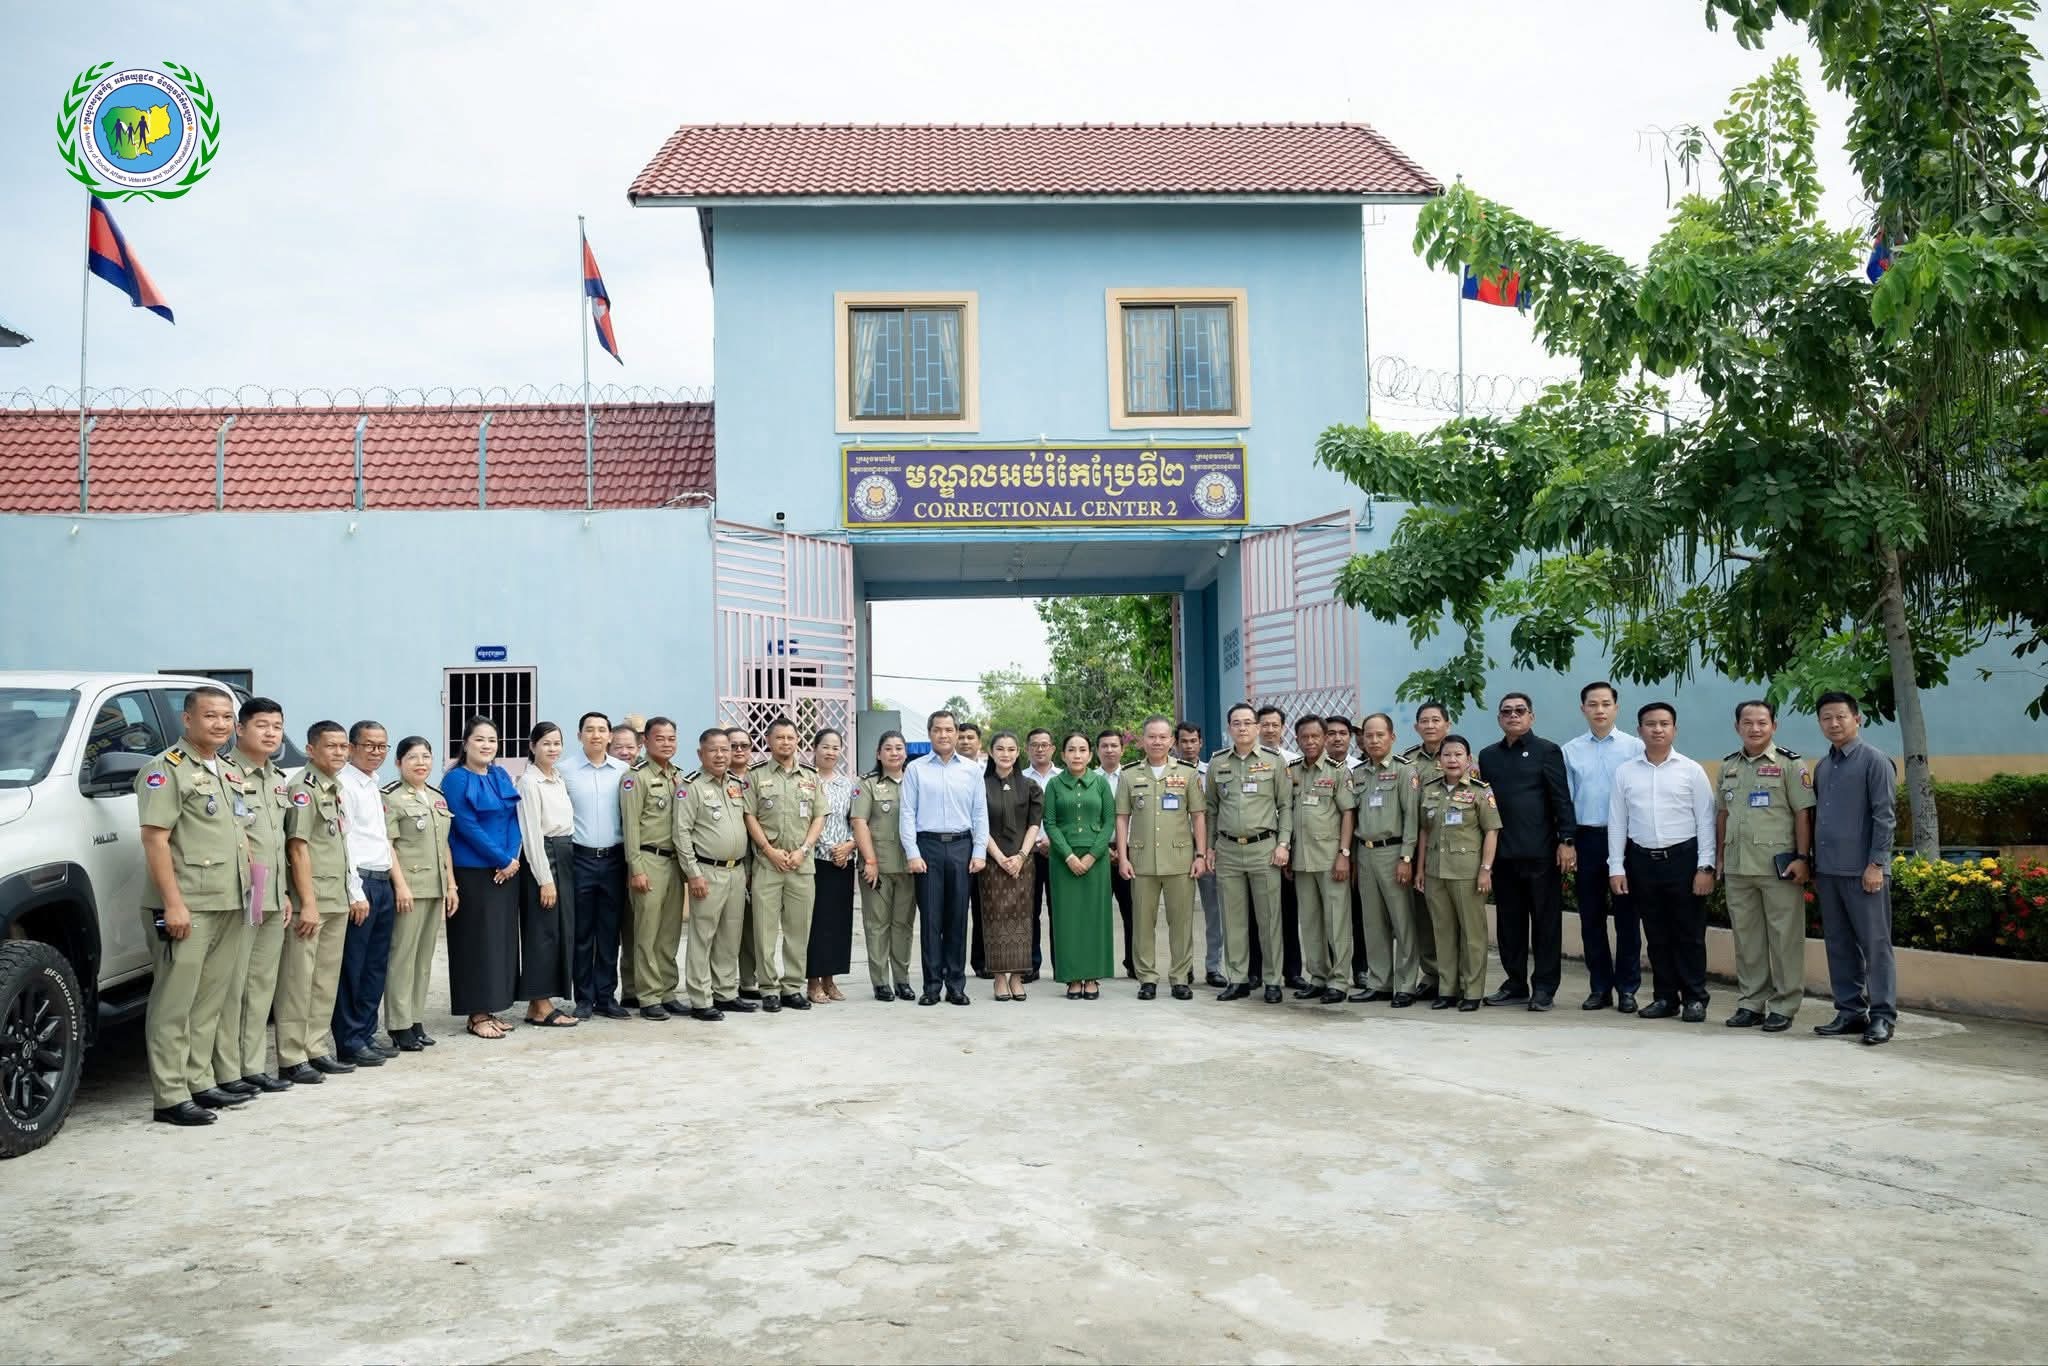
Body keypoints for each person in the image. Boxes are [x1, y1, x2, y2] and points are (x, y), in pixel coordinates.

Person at [136, 686, 253, 1125]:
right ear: (188, 720)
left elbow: (240, 834)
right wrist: (173, 904)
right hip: (188, 903)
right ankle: (169, 1096)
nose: (220, 724)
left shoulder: (227, 770)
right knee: (175, 1002)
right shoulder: (165, 770)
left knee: (208, 1000)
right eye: (210, 716)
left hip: (228, 899)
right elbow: (155, 839)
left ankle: (199, 1081)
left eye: (226, 717)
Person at [1606, 703, 1718, 1023]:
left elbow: (1705, 821)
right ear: (1639, 730)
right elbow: (1618, 822)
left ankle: (1695, 997)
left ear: (1674, 729)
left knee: (1689, 934)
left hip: (1683, 860)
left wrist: (1705, 867)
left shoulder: (1691, 770)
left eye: (1664, 724)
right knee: (1656, 935)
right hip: (1642, 861)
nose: (1657, 729)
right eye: (1650, 724)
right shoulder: (1626, 772)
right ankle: (1665, 997)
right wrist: (1616, 867)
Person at [1715, 700, 1815, 1033]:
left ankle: (1784, 1006)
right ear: (1737, 727)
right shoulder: (1728, 766)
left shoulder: (1790, 764)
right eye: (1747, 722)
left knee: (1785, 939)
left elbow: (1803, 813)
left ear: (1774, 726)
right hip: (1738, 866)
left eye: (1762, 722)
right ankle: (1751, 1003)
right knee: (1747, 940)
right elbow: (1722, 815)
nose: (1754, 728)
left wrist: (1803, 858)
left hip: (1779, 868)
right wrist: (1719, 858)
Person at [276, 720, 365, 1082]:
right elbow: (298, 848)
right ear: (311, 750)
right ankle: (291, 1056)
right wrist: (308, 903)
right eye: (331, 746)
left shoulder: (334, 787)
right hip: (311, 902)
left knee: (324, 980)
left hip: (335, 898)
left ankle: (315, 1048)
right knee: (298, 981)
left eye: (344, 746)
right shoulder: (303, 788)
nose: (340, 752)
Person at [215, 696, 293, 1096]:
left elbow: (280, 841)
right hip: (242, 893)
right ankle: (228, 1071)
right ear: (240, 729)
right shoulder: (224, 774)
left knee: (262, 984)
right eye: (262, 725)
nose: (270, 733)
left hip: (273, 893)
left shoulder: (277, 778)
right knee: (234, 984)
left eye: (277, 726)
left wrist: (286, 892)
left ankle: (253, 1065)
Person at [1811, 692, 1898, 1046]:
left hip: (1864, 872)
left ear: (1857, 719)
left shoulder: (1875, 761)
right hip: (1829, 871)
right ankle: (1849, 1012)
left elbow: (1885, 817)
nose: (1834, 723)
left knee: (1875, 946)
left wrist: (1876, 864)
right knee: (1839, 944)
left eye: (1841, 716)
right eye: (1826, 718)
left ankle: (1882, 1016)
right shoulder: (1823, 766)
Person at [1477, 692, 1574, 1011]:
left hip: (1541, 853)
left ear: (1531, 716)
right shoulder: (1488, 756)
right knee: (1509, 925)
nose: (1513, 715)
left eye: (1520, 710)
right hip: (1503, 855)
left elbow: (1561, 798)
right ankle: (1515, 983)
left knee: (1546, 924)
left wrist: (1566, 840)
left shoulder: (1547, 750)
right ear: (1499, 719)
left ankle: (1544, 987)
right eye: (1507, 711)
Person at [1560, 681, 1647, 1012]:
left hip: (1626, 840)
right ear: (1583, 709)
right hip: (1588, 839)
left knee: (1627, 917)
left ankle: (1627, 988)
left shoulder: (1635, 747)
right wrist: (1567, 841)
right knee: (1591, 917)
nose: (1600, 710)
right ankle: (1599, 987)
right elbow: (1566, 801)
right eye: (1593, 704)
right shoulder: (1570, 751)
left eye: (1606, 704)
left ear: (1616, 708)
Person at [441, 716, 524, 1039]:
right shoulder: (456, 779)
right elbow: (465, 825)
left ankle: (492, 1007)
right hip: (473, 873)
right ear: (465, 743)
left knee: (499, 943)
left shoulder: (499, 774)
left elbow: (514, 817)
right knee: (475, 943)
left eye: (492, 740)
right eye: (479, 739)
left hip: (505, 872)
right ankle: (476, 1014)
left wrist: (512, 858)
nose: (487, 745)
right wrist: (501, 858)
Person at [901, 709, 989, 1007]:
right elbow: (907, 813)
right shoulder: (916, 769)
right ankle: (931, 986)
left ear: (956, 733)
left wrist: (979, 851)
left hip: (962, 847)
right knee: (931, 920)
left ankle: (955, 985)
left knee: (957, 919)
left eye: (949, 729)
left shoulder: (971, 770)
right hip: (928, 848)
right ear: (930, 733)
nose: (943, 735)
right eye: (937, 729)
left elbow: (980, 813)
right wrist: (912, 852)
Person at [1207, 702, 1293, 1003]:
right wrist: (1210, 848)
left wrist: (1283, 844)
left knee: (1269, 919)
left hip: (1264, 849)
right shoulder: (1217, 763)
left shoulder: (1274, 761)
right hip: (1228, 850)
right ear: (1229, 728)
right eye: (1236, 723)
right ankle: (1238, 979)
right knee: (1233, 920)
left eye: (1247, 722)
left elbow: (1286, 806)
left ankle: (1272, 980)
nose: (1242, 728)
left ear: (1257, 727)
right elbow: (1211, 809)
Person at [1115, 715, 1207, 1000]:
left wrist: (1201, 854)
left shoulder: (1188, 773)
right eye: (1151, 736)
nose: (1157, 741)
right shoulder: (1129, 774)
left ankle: (1180, 977)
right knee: (1143, 923)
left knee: (1181, 923)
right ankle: (1147, 978)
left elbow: (1198, 816)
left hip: (1180, 859)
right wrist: (1123, 857)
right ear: (1143, 740)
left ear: (1172, 741)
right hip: (1141, 860)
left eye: (1163, 737)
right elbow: (1122, 818)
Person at [1414, 734, 1500, 1012]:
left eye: (1458, 754)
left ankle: (1472, 991)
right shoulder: (1430, 790)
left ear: (1468, 759)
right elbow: (1424, 832)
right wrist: (1420, 869)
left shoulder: (1480, 791)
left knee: (1472, 935)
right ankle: (1447, 989)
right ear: (1439, 760)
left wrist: (1485, 869)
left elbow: (1491, 831)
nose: (1452, 760)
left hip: (1467, 873)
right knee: (1443, 933)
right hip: (1435, 872)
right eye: (1447, 755)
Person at [744, 716, 825, 1013]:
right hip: (768, 865)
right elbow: (749, 815)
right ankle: (768, 988)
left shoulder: (811, 776)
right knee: (765, 931)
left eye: (791, 737)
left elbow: (819, 816)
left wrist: (804, 849)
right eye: (780, 737)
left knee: (798, 930)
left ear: (797, 741)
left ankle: (792, 987)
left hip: (801, 866)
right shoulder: (755, 776)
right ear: (768, 741)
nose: (786, 742)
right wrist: (768, 850)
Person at [382, 736, 456, 1050]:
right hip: (409, 889)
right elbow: (388, 845)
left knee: (424, 959)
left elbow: (444, 846)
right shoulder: (391, 797)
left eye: (426, 756)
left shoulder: (437, 797)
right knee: (402, 957)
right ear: (399, 762)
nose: (421, 763)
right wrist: (400, 885)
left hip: (434, 887)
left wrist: (451, 885)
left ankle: (415, 1020)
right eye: (413, 757)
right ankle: (399, 1025)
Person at [332, 720, 399, 1067]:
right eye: (369, 745)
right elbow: (345, 841)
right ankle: (349, 1038)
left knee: (375, 964)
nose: (376, 752)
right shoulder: (344, 784)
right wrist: (354, 891)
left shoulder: (373, 784)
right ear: (352, 747)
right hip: (361, 883)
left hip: (382, 880)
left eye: (382, 746)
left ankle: (367, 1032)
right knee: (353, 966)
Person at [674, 728, 751, 1021]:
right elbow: (681, 832)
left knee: (730, 936)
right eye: (713, 750)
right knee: (702, 937)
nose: (720, 755)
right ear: (700, 754)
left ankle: (725, 993)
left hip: (736, 871)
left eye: (725, 749)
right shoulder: (690, 786)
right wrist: (693, 874)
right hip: (707, 871)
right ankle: (700, 998)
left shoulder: (736, 784)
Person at [1346, 713, 1421, 1005]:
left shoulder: (1405, 770)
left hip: (1394, 853)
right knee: (1373, 922)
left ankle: (1406, 984)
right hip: (1365, 853)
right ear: (1362, 740)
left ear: (1392, 737)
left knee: (1402, 921)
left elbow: (1412, 818)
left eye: (1380, 735)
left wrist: (1406, 858)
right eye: (1369, 736)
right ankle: (1380, 982)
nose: (1374, 740)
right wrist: (1353, 859)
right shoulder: (1359, 773)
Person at [514, 722, 579, 1028]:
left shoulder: (557, 778)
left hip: (564, 853)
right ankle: (541, 1005)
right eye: (546, 743)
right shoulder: (530, 782)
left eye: (557, 743)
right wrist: (545, 879)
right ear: (532, 746)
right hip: (544, 857)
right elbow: (531, 835)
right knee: (542, 933)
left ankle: (537, 1003)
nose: (552, 749)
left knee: (558, 931)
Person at [565, 712, 630, 1019]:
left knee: (609, 931)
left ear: (610, 736)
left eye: (601, 730)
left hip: (614, 860)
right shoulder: (565, 771)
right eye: (589, 730)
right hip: (580, 859)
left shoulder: (624, 771)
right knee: (582, 933)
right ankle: (584, 998)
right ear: (579, 736)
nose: (595, 735)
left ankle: (606, 996)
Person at [621, 717, 687, 1020]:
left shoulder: (679, 776)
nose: (667, 744)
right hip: (648, 860)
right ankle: (647, 996)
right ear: (645, 741)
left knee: (669, 932)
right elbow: (631, 826)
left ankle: (667, 991)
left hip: (674, 863)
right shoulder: (636, 778)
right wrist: (636, 868)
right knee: (646, 931)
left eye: (671, 738)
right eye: (660, 738)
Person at [1287, 715, 1357, 1004]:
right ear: (1297, 740)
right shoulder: (1292, 771)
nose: (1310, 742)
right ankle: (1317, 977)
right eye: (1305, 737)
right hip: (1301, 860)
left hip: (1330, 860)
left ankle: (1339, 981)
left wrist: (1344, 854)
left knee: (1337, 922)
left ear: (1325, 738)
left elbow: (1348, 813)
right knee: (1310, 922)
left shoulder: (1338, 772)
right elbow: (1286, 812)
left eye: (1316, 736)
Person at [1045, 732, 1115, 998]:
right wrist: (1069, 856)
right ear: (1062, 755)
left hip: (1096, 861)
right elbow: (1050, 823)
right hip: (1063, 861)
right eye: (1071, 750)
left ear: (1090, 754)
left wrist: (1092, 855)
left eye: (1082, 750)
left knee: (1094, 919)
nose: (1077, 755)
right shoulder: (1054, 785)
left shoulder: (1100, 783)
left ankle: (1093, 976)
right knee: (1068, 921)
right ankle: (1072, 977)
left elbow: (1109, 822)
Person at [851, 730, 917, 1002]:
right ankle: (880, 982)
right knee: (877, 925)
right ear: (878, 754)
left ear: (905, 753)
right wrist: (870, 860)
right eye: (888, 748)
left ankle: (902, 980)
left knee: (903, 925)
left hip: (909, 866)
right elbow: (859, 822)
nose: (894, 753)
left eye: (899, 748)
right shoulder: (867, 784)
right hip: (877, 866)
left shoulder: (915, 781)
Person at [981, 730, 1045, 1002]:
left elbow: (1034, 824)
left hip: (1023, 862)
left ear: (1018, 753)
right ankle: (999, 978)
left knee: (1023, 919)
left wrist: (1020, 855)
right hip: (991, 862)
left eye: (1010, 749)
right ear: (991, 752)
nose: (1005, 754)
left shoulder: (1030, 786)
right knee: (994, 919)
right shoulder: (980, 785)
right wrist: (999, 857)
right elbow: (978, 825)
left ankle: (1017, 977)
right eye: (1000, 749)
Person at [1248, 705, 1307, 991]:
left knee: (1287, 911)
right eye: (1265, 724)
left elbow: (1291, 807)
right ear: (1257, 727)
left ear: (1283, 728)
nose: (1270, 729)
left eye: (1275, 725)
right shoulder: (1246, 759)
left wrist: (1287, 847)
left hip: (1287, 847)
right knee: (1255, 913)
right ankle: (1255, 971)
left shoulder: (1294, 762)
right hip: (1258, 847)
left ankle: (1292, 971)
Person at [1399, 703, 1452, 1001]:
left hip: (1452, 847)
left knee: (1450, 918)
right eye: (1424, 721)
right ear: (1416, 727)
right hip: (1418, 846)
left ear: (1447, 724)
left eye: (1436, 720)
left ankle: (1453, 977)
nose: (1430, 725)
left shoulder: (1460, 755)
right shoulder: (1407, 761)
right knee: (1423, 917)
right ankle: (1431, 975)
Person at [804, 727, 858, 1004]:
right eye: (825, 746)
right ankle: (813, 981)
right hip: (813, 861)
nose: (830, 752)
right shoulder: (804, 780)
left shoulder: (847, 785)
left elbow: (857, 820)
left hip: (842, 861)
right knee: (816, 923)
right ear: (814, 748)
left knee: (838, 923)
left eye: (836, 747)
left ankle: (830, 979)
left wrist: (849, 846)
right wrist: (824, 847)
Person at [1177, 720, 1227, 988]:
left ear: (1201, 743)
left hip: (1207, 851)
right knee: (1181, 913)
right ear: (1176, 744)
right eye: (1183, 741)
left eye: (1193, 741)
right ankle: (1183, 967)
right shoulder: (1168, 773)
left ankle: (1213, 967)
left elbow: (1216, 811)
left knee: (1214, 912)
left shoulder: (1213, 772)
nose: (1188, 746)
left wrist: (1210, 848)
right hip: (1177, 851)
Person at [1324, 714, 1370, 990]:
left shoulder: (1361, 769)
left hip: (1359, 851)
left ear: (1351, 738)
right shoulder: (1313, 769)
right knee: (1331, 916)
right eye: (1331, 733)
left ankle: (1361, 968)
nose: (1337, 738)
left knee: (1359, 914)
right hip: (1325, 853)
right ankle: (1332, 969)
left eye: (1343, 733)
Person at [1095, 729, 1136, 978]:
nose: (1109, 750)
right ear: (1097, 750)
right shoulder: (1089, 778)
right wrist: (1104, 849)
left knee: (1132, 912)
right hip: (1097, 853)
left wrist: (1123, 853)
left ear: (1122, 749)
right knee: (1096, 913)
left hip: (1130, 854)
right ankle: (1097, 964)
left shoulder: (1132, 777)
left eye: (1114, 745)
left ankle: (1134, 963)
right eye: (1104, 746)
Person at [727, 725, 764, 1001]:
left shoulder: (760, 777)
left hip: (759, 860)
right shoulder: (714, 779)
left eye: (744, 745)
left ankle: (749, 980)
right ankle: (722, 983)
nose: (739, 750)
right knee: (726, 928)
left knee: (752, 925)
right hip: (729, 861)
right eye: (733, 745)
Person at [1022, 726, 1058, 979]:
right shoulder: (1020, 778)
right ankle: (1030, 965)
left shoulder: (1064, 777)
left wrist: (1053, 841)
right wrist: (1032, 844)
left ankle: (1061, 965)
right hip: (1028, 854)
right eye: (1034, 745)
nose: (1040, 749)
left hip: (1058, 853)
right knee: (1029, 911)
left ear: (1053, 748)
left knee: (1059, 911)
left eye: (1044, 744)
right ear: (1027, 749)